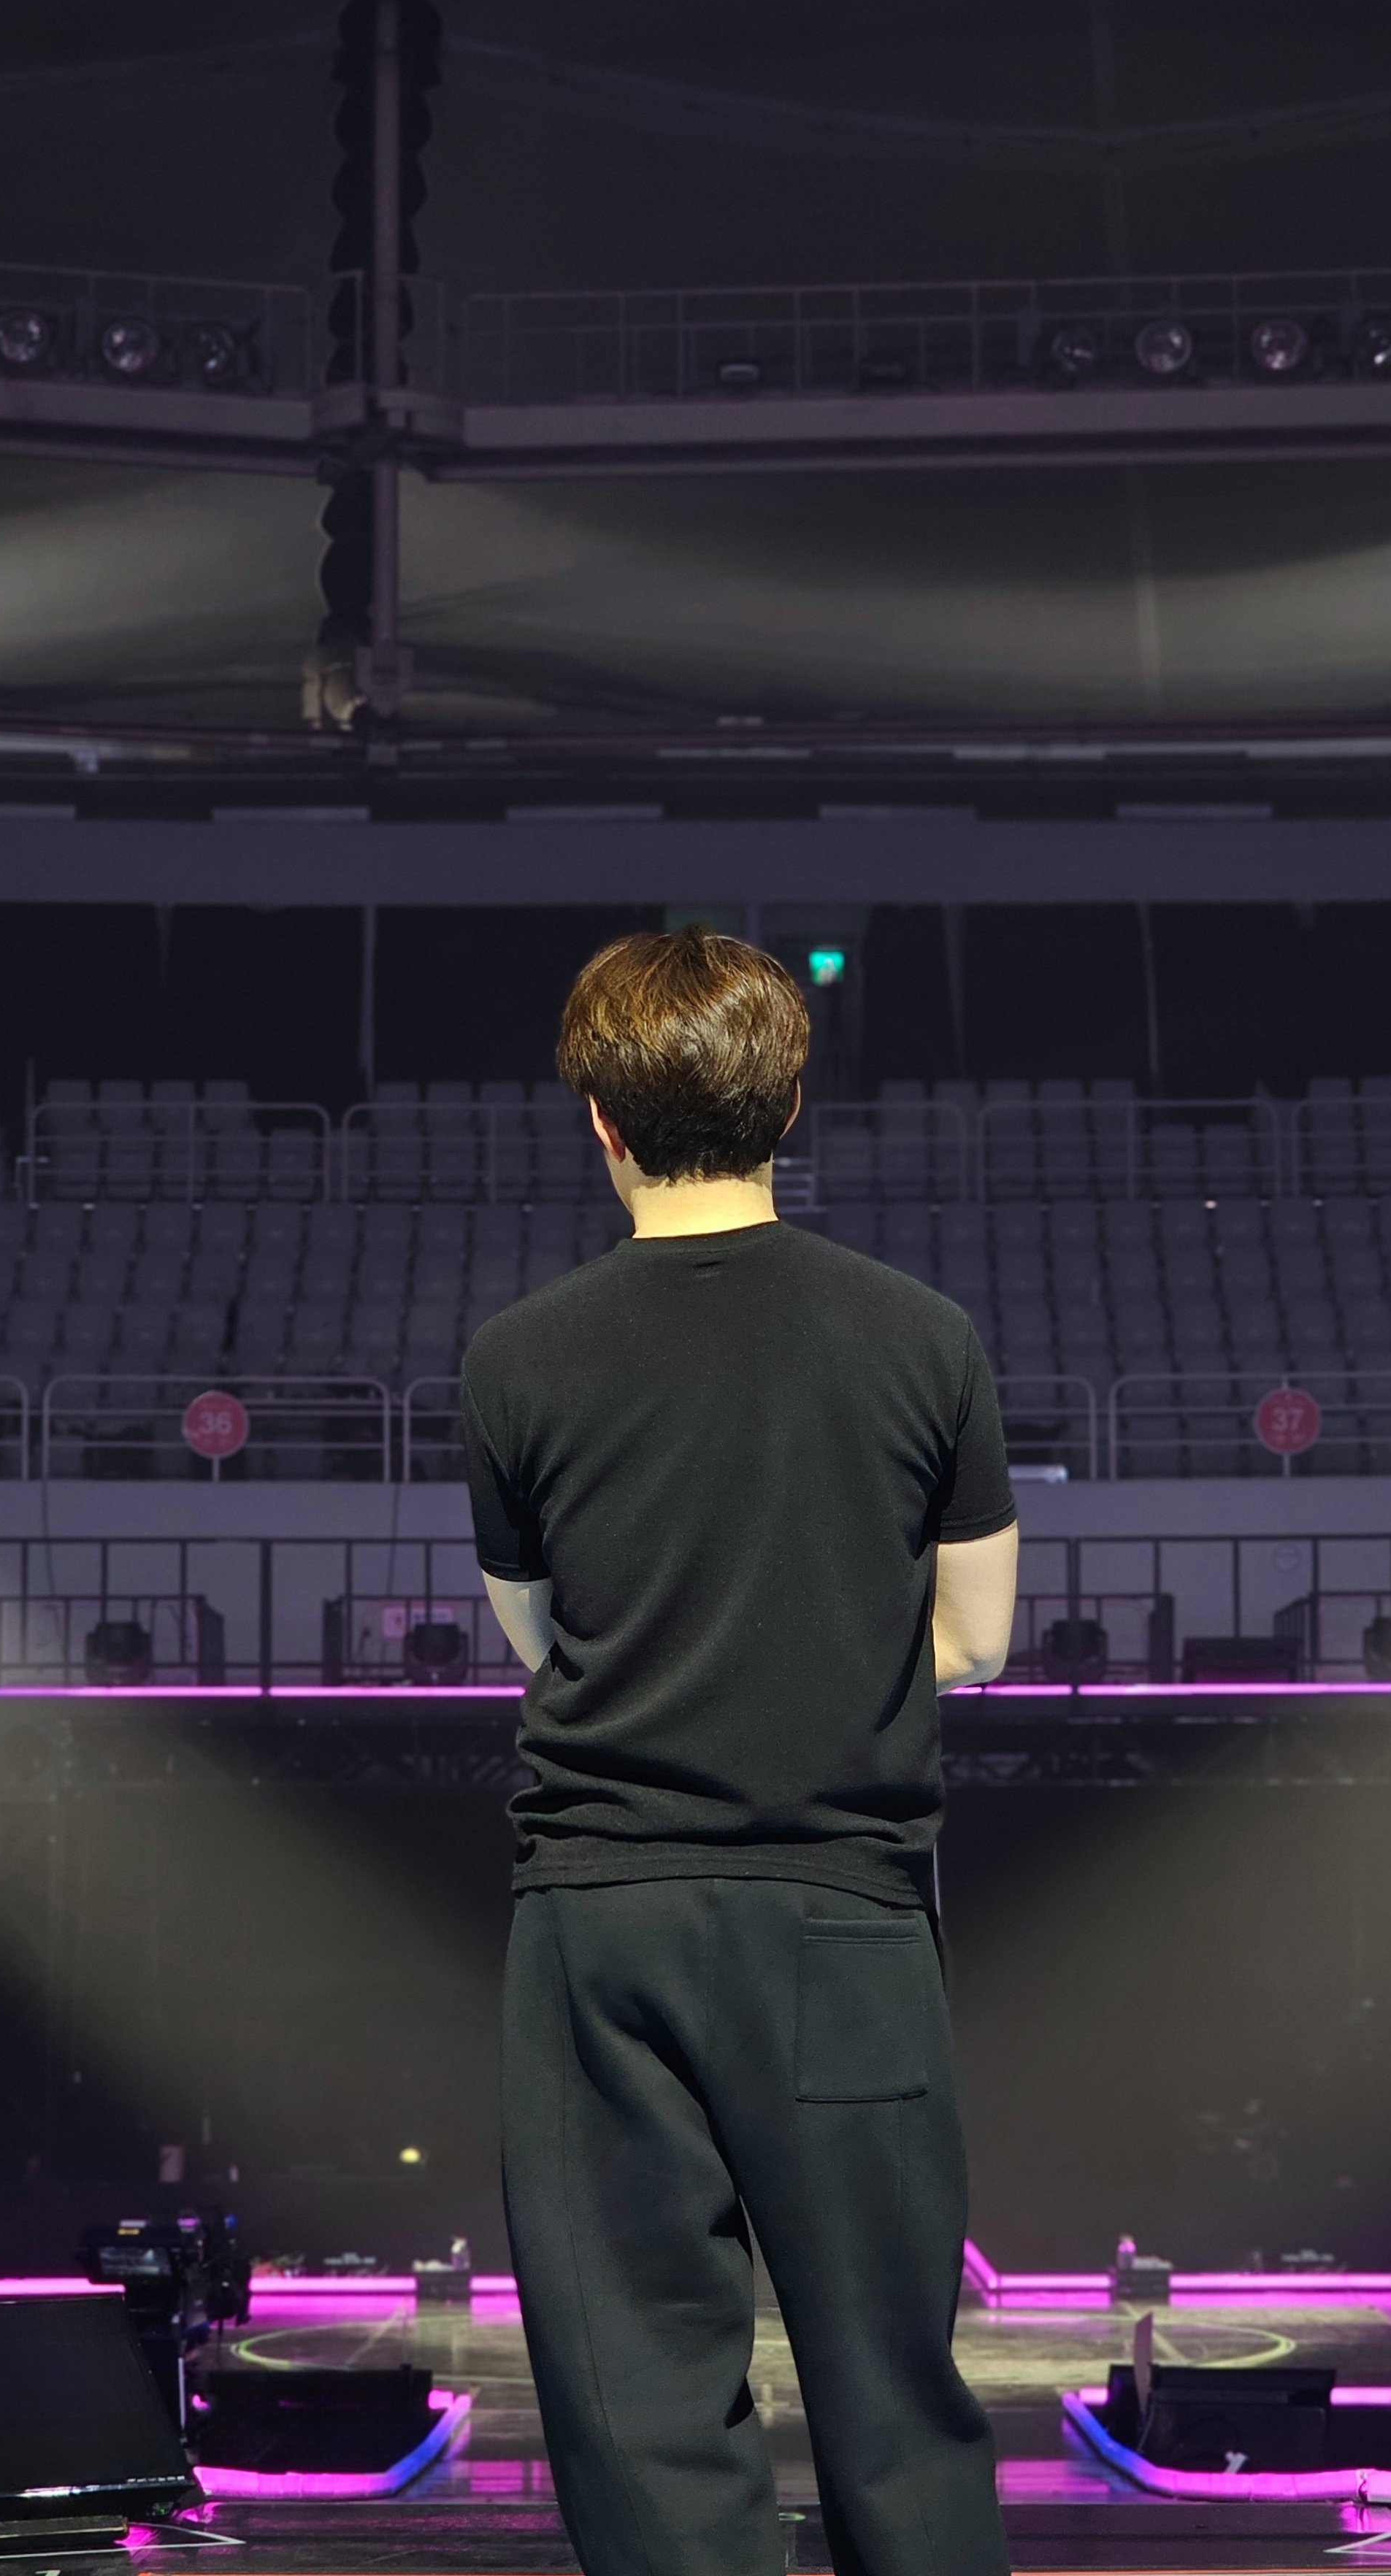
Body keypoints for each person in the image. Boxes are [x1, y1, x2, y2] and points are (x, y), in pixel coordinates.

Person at [461, 925, 1020, 2576]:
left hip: (603, 1923)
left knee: (637, 2404)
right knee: (893, 2393)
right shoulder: (923, 1336)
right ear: (788, 1106)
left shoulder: (517, 1356)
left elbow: (542, 1638)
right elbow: (978, 1640)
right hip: (845, 1921)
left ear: (599, 1118)